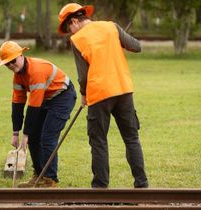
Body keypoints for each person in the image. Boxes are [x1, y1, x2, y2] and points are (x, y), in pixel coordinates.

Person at [57, 3, 148, 188]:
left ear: (74, 21)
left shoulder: (78, 39)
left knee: (98, 141)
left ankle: (100, 188)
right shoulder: (111, 26)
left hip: (99, 94)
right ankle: (142, 185)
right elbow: (136, 46)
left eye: (69, 29)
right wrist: (118, 43)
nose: (70, 33)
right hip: (123, 90)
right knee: (131, 138)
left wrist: (84, 94)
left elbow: (83, 76)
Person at [0, 41, 77, 188]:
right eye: (7, 64)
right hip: (46, 98)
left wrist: (25, 135)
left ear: (21, 55)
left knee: (47, 137)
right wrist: (16, 133)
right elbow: (17, 104)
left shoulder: (36, 71)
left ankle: (50, 179)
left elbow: (33, 107)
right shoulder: (18, 77)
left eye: (13, 61)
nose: (11, 65)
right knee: (34, 137)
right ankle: (39, 175)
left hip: (63, 96)